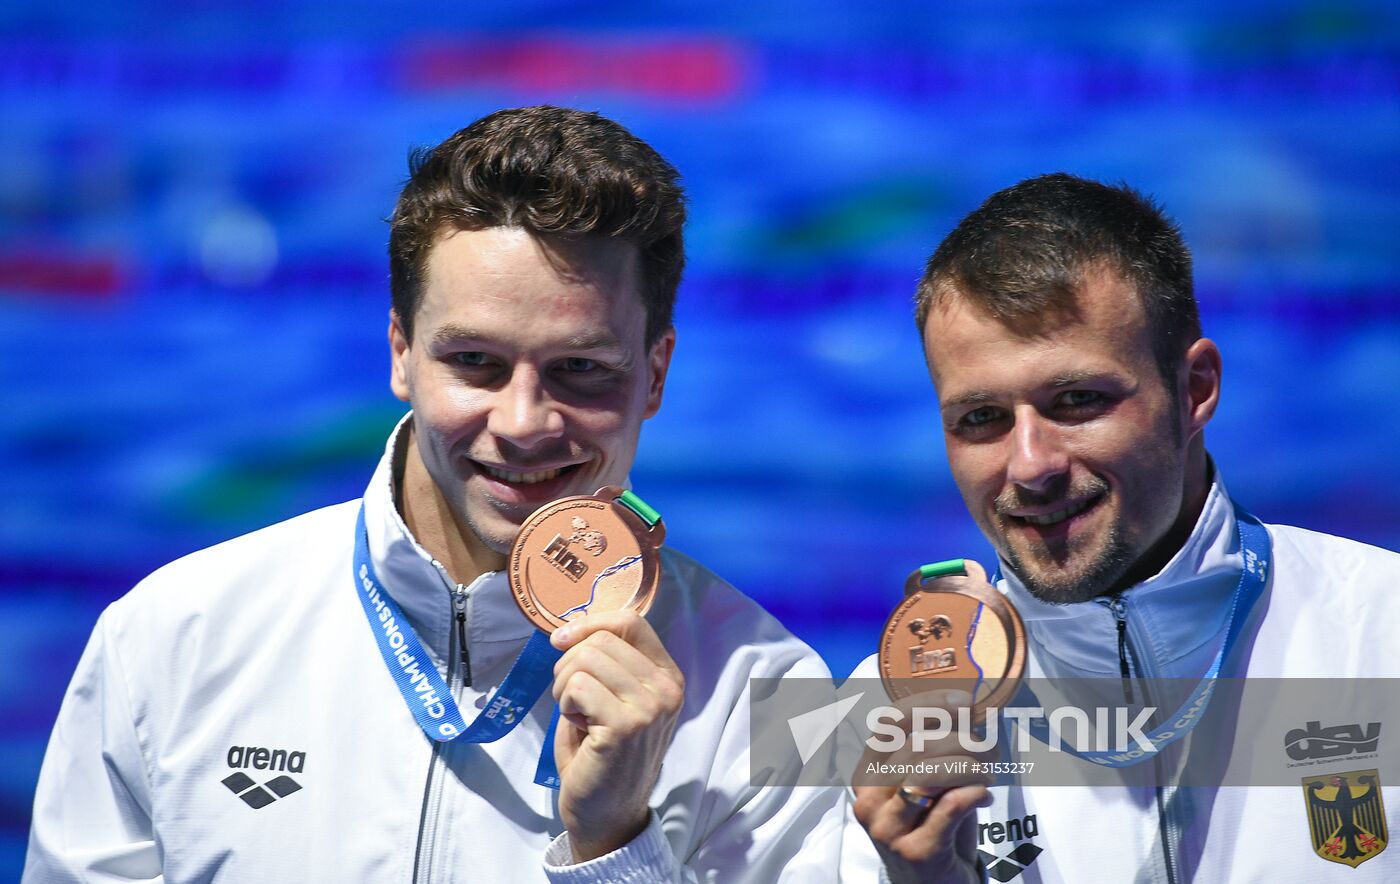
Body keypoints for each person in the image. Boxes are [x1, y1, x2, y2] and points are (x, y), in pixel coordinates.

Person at [25, 106, 841, 882]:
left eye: (580, 369)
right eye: (476, 363)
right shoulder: (170, 637)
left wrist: (617, 846)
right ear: (401, 353)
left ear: (654, 374)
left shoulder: (773, 693)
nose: (523, 423)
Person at [844, 173, 1400, 882]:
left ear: (1194, 390)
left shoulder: (1380, 633)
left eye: (1077, 400)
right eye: (980, 419)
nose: (1030, 465)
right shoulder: (891, 726)